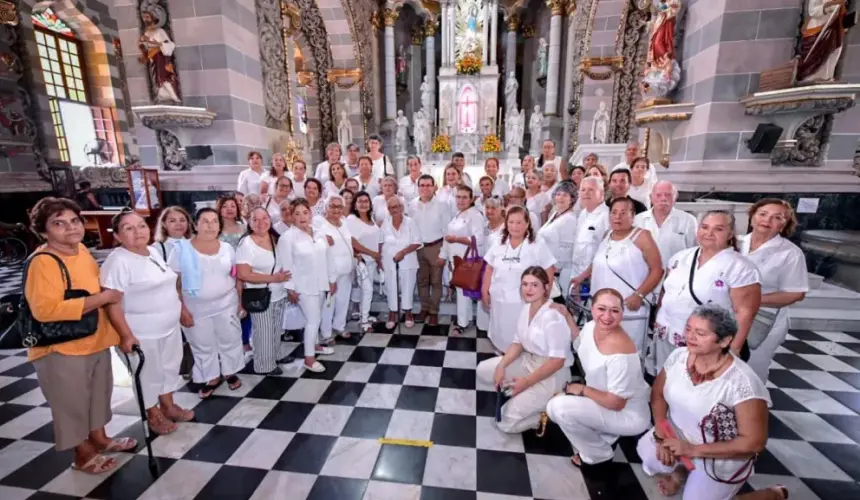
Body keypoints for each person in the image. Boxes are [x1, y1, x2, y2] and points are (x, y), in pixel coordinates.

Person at [25, 198, 135, 474]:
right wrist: (103, 298)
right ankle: (82, 453)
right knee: (71, 404)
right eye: (58, 223)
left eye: (74, 221)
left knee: (99, 395)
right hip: (61, 347)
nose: (70, 228)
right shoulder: (43, 262)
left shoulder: (82, 250)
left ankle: (100, 437)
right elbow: (46, 310)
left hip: (94, 339)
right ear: (44, 230)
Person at [637, 304, 770, 500]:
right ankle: (683, 471)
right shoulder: (679, 356)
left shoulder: (743, 385)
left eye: (700, 333)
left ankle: (770, 494)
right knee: (647, 454)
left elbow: (754, 443)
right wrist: (660, 432)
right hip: (677, 435)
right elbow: (657, 394)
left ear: (724, 340)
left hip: (719, 455)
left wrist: (692, 450)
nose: (690, 337)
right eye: (689, 329)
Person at [101, 210, 193, 435]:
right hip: (142, 332)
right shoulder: (118, 261)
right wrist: (125, 335)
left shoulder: (152, 251)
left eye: (141, 225)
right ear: (118, 236)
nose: (138, 232)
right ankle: (153, 414)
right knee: (148, 375)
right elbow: (112, 302)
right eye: (128, 228)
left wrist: (180, 309)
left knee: (169, 368)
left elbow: (168, 284)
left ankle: (168, 406)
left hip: (168, 327)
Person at [546, 288, 651, 467]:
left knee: (558, 408)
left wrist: (582, 390)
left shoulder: (621, 354)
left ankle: (598, 454)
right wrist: (568, 317)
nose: (607, 316)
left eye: (615, 311)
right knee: (559, 407)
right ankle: (606, 435)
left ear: (622, 313)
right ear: (592, 308)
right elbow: (581, 343)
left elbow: (616, 403)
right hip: (605, 399)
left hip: (627, 413)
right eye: (601, 309)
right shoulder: (591, 327)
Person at [652, 210, 762, 373]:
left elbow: (745, 312)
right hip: (667, 333)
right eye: (704, 227)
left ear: (730, 233)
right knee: (666, 379)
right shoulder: (680, 257)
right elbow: (665, 293)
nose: (709, 233)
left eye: (718, 229)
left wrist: (733, 349)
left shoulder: (741, 267)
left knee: (696, 385)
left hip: (706, 342)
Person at [477, 267, 573, 432]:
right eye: (525, 284)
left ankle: (547, 413)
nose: (529, 289)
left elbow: (557, 361)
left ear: (546, 288)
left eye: (535, 285)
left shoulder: (553, 316)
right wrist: (501, 366)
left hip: (551, 374)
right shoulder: (526, 308)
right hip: (528, 361)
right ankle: (524, 394)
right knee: (483, 371)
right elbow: (517, 343)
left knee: (504, 423)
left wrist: (526, 382)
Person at [169, 208, 244, 398]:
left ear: (220, 226)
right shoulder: (181, 250)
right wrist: (181, 309)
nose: (210, 226)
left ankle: (230, 371)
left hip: (226, 302)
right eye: (205, 221)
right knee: (203, 343)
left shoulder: (227, 248)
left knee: (230, 338)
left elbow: (236, 277)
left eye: (214, 221)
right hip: (196, 308)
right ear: (195, 225)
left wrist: (239, 302)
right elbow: (173, 284)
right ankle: (211, 376)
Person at [572, 198, 663, 352]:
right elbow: (598, 261)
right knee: (600, 350)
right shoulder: (607, 234)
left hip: (628, 307)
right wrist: (581, 277)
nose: (617, 217)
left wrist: (639, 295)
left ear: (633, 215)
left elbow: (657, 270)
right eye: (614, 212)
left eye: (623, 213)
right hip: (601, 307)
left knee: (626, 353)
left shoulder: (642, 236)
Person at [739, 199, 808, 382]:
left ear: (784, 225)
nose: (767, 220)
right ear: (752, 216)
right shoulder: (737, 243)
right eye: (762, 214)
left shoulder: (789, 253)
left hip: (764, 321)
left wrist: (752, 299)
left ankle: (755, 407)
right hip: (732, 316)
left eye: (777, 217)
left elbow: (796, 293)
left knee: (752, 371)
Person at [482, 206, 557, 352]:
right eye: (511, 222)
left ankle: (517, 363)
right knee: (500, 332)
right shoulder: (498, 242)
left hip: (523, 302)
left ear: (527, 223)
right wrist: (484, 291)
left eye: (519, 222)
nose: (514, 226)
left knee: (520, 335)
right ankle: (502, 359)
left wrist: (544, 295)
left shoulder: (536, 244)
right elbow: (489, 268)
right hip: (499, 299)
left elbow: (549, 268)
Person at [278, 199, 336, 373]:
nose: (302, 217)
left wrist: (332, 280)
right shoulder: (287, 238)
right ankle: (309, 359)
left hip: (320, 284)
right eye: (297, 213)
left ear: (310, 213)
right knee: (313, 321)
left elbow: (328, 258)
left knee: (315, 317)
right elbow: (285, 265)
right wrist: (290, 289)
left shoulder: (319, 233)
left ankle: (316, 345)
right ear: (292, 217)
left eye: (305, 212)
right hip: (303, 287)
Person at [235, 207, 291, 375]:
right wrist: (273, 279)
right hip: (259, 294)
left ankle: (275, 354)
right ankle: (264, 365)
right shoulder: (247, 243)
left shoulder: (274, 238)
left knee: (275, 328)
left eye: (264, 218)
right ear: (249, 223)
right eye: (255, 219)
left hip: (278, 293)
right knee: (263, 332)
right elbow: (243, 274)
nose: (261, 223)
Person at [439, 185, 486, 335]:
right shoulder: (457, 214)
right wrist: (444, 255)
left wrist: (457, 239)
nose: (461, 200)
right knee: (461, 292)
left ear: (471, 199)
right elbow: (448, 237)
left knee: (464, 293)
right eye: (458, 197)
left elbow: (478, 239)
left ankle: (463, 323)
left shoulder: (475, 215)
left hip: (468, 261)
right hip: (456, 260)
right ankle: (463, 320)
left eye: (465, 197)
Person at [408, 174, 451, 325]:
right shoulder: (412, 205)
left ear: (434, 187)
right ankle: (424, 309)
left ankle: (434, 312)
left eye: (428, 185)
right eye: (422, 185)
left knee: (436, 282)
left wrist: (444, 253)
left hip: (436, 247)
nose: (425, 188)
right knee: (422, 281)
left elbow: (447, 231)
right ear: (418, 187)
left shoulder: (442, 205)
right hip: (418, 248)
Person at [315, 195, 355, 341]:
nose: (336, 210)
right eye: (332, 206)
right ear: (326, 207)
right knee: (329, 302)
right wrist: (323, 238)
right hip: (330, 271)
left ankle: (339, 326)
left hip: (346, 269)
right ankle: (326, 333)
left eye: (339, 206)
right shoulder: (319, 223)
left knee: (343, 300)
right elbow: (313, 238)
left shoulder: (344, 223)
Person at [380, 195, 422, 328]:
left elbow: (417, 242)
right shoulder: (385, 223)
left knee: (408, 288)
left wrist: (403, 252)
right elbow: (380, 242)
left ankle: (408, 313)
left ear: (402, 207)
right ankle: (392, 313)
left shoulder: (411, 222)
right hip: (389, 262)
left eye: (398, 206)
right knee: (391, 287)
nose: (395, 209)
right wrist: (379, 258)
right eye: (392, 207)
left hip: (408, 261)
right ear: (388, 209)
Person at [634, 181, 697, 269]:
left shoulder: (688, 220)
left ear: (675, 197)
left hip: (676, 276)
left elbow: (694, 252)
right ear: (651, 197)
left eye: (668, 195)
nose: (663, 199)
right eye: (658, 195)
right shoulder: (637, 220)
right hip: (644, 276)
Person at [346, 191, 382, 332]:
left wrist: (377, 257)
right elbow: (352, 241)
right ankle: (364, 321)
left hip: (372, 261)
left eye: (366, 201)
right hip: (362, 261)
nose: (363, 204)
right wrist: (372, 253)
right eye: (360, 201)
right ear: (355, 204)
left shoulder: (371, 219)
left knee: (366, 290)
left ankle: (363, 314)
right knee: (367, 290)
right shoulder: (351, 219)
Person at [537, 181, 578, 298]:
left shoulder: (569, 219)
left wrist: (555, 270)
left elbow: (566, 248)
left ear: (572, 199)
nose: (560, 197)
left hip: (558, 273)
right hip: (547, 268)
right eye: (558, 194)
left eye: (565, 195)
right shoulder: (555, 214)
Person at [570, 177, 610, 293]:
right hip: (576, 275)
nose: (586, 193)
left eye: (591, 190)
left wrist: (584, 276)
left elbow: (604, 253)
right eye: (583, 190)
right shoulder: (583, 214)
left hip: (595, 278)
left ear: (601, 193)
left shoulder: (606, 216)